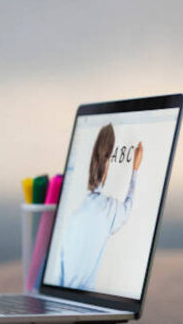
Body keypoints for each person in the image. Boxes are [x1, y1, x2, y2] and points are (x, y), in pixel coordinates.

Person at [57, 123, 143, 289]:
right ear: (107, 164)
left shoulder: (74, 214)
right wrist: (135, 170)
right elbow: (127, 208)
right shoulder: (107, 209)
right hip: (83, 303)